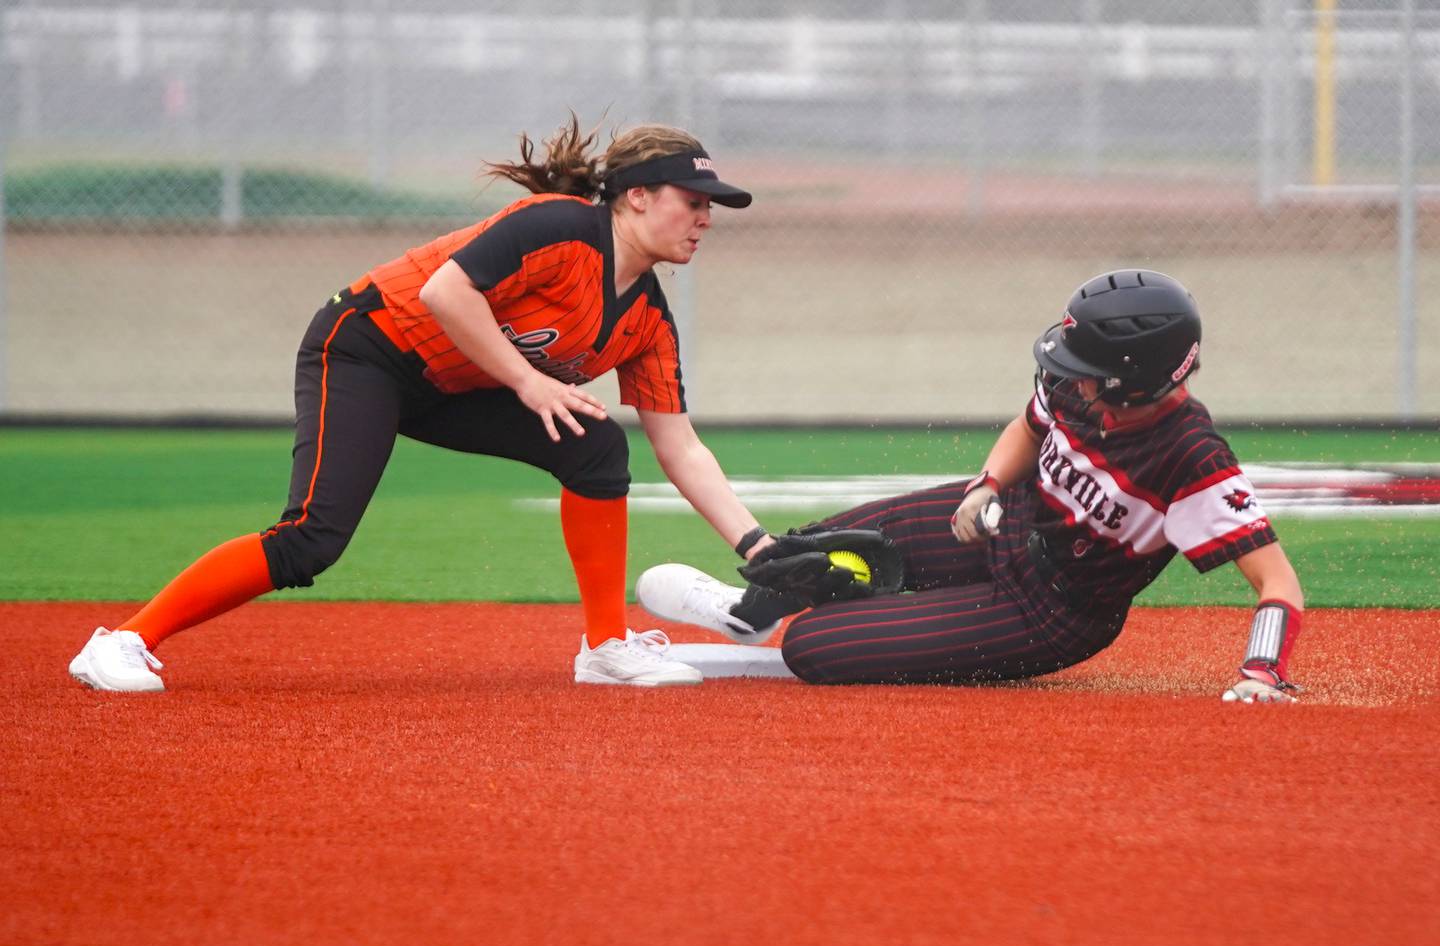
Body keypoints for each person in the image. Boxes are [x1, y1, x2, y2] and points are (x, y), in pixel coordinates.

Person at [69, 115, 781, 692]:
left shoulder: (647, 318)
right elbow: (446, 292)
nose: (705, 218)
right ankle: (123, 641)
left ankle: (604, 647)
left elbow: (680, 444)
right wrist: (529, 382)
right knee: (314, 537)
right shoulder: (557, 227)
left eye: (709, 207)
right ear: (637, 195)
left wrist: (757, 547)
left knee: (596, 447)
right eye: (694, 201)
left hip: (453, 385)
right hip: (365, 348)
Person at [638, 269, 1306, 703]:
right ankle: (746, 613)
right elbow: (1027, 427)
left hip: (1052, 612)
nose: (1069, 378)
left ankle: (833, 621)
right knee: (809, 548)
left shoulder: (1190, 457)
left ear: (1138, 378)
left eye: (1087, 369)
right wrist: (985, 486)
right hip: (1002, 522)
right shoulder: (1085, 389)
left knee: (815, 648)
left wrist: (1261, 671)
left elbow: (1277, 583)